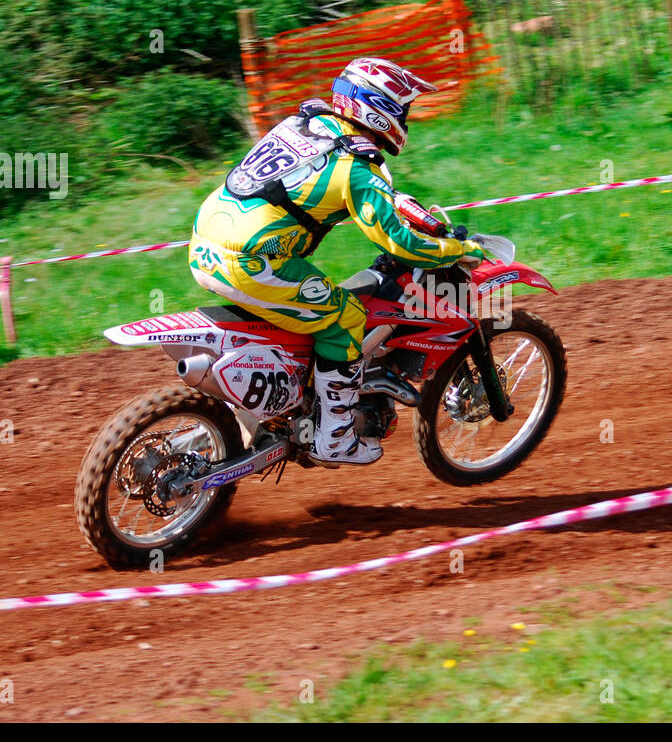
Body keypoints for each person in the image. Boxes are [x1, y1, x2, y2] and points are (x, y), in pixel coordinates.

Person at [188, 57, 484, 465]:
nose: (405, 118)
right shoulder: (359, 169)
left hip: (207, 244)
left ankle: (283, 403)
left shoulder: (304, 123)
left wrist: (391, 200)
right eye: (403, 108)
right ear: (380, 109)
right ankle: (336, 438)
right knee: (344, 318)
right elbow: (400, 245)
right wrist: (461, 250)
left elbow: (301, 179)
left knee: (306, 312)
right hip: (252, 263)